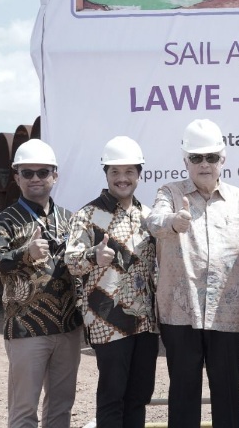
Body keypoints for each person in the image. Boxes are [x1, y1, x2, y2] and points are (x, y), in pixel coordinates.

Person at [147, 119, 239, 428]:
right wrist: (174, 222)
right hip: (180, 314)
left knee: (228, 393)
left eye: (211, 157)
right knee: (183, 395)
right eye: (196, 157)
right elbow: (154, 222)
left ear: (223, 159)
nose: (204, 164)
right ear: (185, 160)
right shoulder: (170, 193)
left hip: (227, 313)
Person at [0, 138, 83, 428]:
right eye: (27, 172)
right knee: (24, 410)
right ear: (17, 177)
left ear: (55, 175)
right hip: (26, 328)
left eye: (42, 172)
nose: (35, 178)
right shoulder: (5, 221)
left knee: (61, 408)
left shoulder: (71, 219)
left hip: (68, 327)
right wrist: (25, 254)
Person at [65, 136, 158, 427]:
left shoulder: (148, 216)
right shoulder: (86, 216)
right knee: (112, 397)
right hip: (107, 322)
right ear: (105, 174)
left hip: (145, 323)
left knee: (139, 396)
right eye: (115, 172)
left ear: (139, 174)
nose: (122, 178)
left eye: (129, 171)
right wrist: (94, 256)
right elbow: (71, 263)